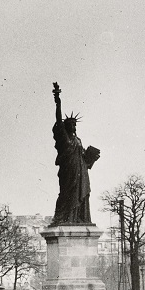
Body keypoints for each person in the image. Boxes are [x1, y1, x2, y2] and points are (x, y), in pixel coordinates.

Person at [50, 82, 100, 225]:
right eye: (71, 124)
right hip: (69, 170)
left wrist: (92, 157)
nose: (74, 126)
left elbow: (84, 157)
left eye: (75, 124)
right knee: (67, 193)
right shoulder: (64, 138)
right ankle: (64, 218)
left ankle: (80, 218)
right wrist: (58, 101)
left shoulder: (78, 140)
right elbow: (58, 120)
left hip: (81, 171)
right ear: (66, 127)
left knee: (82, 194)